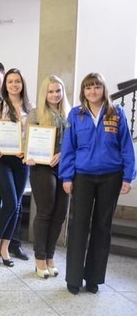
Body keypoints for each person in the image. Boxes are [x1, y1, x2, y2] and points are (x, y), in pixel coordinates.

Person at [60, 73, 136, 295]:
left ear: (103, 89)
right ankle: (73, 278)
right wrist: (67, 176)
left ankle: (94, 278)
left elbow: (126, 146)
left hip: (111, 176)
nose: (92, 91)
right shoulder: (76, 114)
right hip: (83, 176)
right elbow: (68, 147)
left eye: (96, 87)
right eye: (88, 88)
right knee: (78, 225)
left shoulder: (117, 112)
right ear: (83, 92)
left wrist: (128, 177)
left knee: (102, 227)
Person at [0, 68, 32, 267]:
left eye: (17, 81)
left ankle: (5, 247)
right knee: (11, 203)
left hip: (21, 161)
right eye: (10, 81)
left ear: (22, 84)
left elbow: (33, 136)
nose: (14, 84)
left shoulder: (31, 109)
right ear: (6, 85)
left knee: (17, 204)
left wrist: (27, 150)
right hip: (1, 159)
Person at [25, 75, 71, 279]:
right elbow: (28, 139)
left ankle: (50, 256)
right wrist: (29, 154)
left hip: (65, 167)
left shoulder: (70, 114)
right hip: (42, 167)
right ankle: (40, 258)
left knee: (60, 213)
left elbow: (75, 142)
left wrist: (63, 154)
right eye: (50, 91)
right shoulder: (35, 113)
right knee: (45, 211)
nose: (54, 95)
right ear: (45, 93)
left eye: (58, 91)